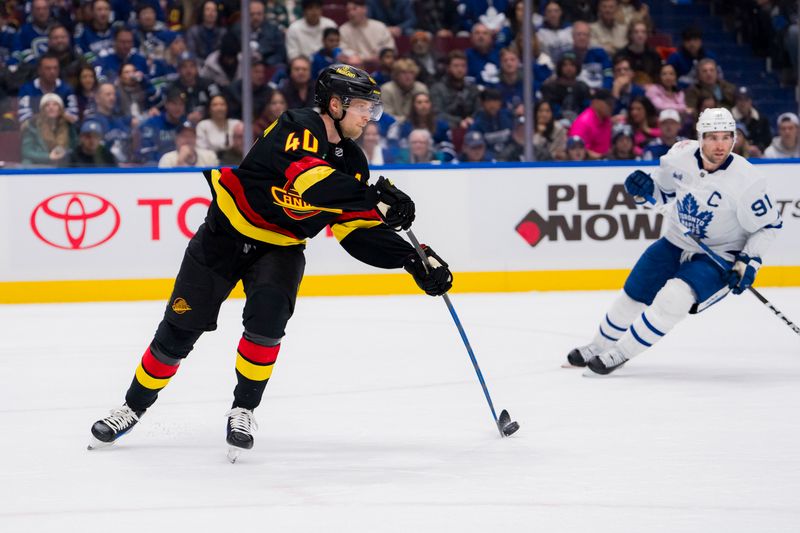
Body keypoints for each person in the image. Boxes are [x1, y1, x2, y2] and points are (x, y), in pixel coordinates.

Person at [88, 64, 452, 459]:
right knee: (178, 331)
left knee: (267, 327)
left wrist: (411, 258)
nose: (369, 117)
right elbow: (308, 180)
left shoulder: (354, 163)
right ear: (335, 104)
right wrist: (372, 197)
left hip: (280, 248)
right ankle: (132, 407)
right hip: (224, 236)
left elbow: (357, 234)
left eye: (372, 109)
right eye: (363, 107)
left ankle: (243, 409)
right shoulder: (297, 125)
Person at [567, 108, 783, 375]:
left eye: (727, 137)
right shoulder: (679, 156)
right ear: (700, 137)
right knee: (634, 292)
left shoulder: (747, 180)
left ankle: (620, 354)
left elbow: (769, 226)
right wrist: (645, 190)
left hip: (719, 255)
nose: (720, 145)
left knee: (674, 298)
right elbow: (662, 194)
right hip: (675, 241)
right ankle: (598, 345)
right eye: (713, 137)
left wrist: (748, 262)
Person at [21, 93, 77, 166]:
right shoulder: (32, 126)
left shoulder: (69, 125)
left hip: (64, 165)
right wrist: (48, 157)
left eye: (55, 104)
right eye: (47, 105)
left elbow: (76, 147)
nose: (51, 107)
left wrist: (65, 153)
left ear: (60, 108)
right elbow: (27, 151)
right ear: (42, 109)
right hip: (40, 165)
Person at [429, 50, 481, 130]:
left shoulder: (472, 88)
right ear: (448, 68)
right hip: (447, 129)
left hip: (471, 128)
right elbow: (437, 113)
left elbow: (479, 110)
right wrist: (459, 122)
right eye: (456, 66)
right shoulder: (437, 89)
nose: (460, 70)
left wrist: (471, 119)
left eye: (463, 66)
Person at [339, 0, 395, 65]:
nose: (351, 13)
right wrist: (364, 59)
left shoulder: (380, 26)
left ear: (364, 9)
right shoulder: (343, 30)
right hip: (356, 67)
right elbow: (343, 50)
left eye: (354, 9)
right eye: (348, 11)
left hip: (380, 65)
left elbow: (389, 47)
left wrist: (379, 56)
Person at [567, 89, 614, 159]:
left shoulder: (607, 120)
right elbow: (575, 149)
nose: (611, 106)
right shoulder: (583, 122)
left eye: (612, 103)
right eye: (608, 103)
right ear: (596, 102)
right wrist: (600, 157)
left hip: (606, 163)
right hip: (588, 165)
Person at [730, 86, 772, 153]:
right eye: (740, 99)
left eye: (746, 99)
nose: (743, 103)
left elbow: (767, 139)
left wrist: (759, 148)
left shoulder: (761, 119)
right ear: (735, 101)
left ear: (750, 101)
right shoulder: (728, 118)